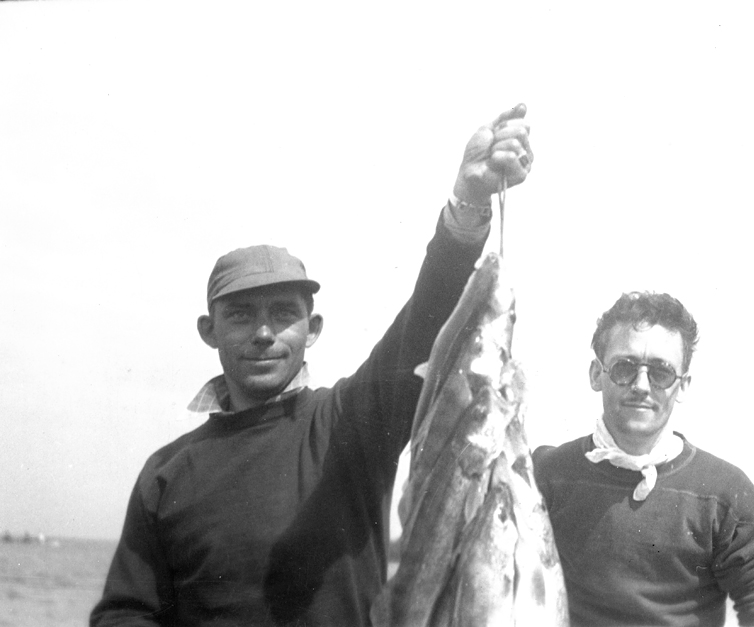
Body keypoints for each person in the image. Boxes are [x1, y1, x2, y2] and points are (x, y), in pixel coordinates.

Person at [90, 105, 534, 627]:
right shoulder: (165, 475)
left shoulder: (348, 424)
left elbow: (421, 327)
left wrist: (469, 204)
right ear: (209, 330)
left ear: (312, 329)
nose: (263, 333)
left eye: (283, 314)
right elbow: (125, 613)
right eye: (241, 315)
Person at [533, 292, 754, 626]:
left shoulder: (727, 495)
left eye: (661, 372)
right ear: (596, 374)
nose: (641, 386)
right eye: (624, 367)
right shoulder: (544, 476)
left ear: (682, 386)